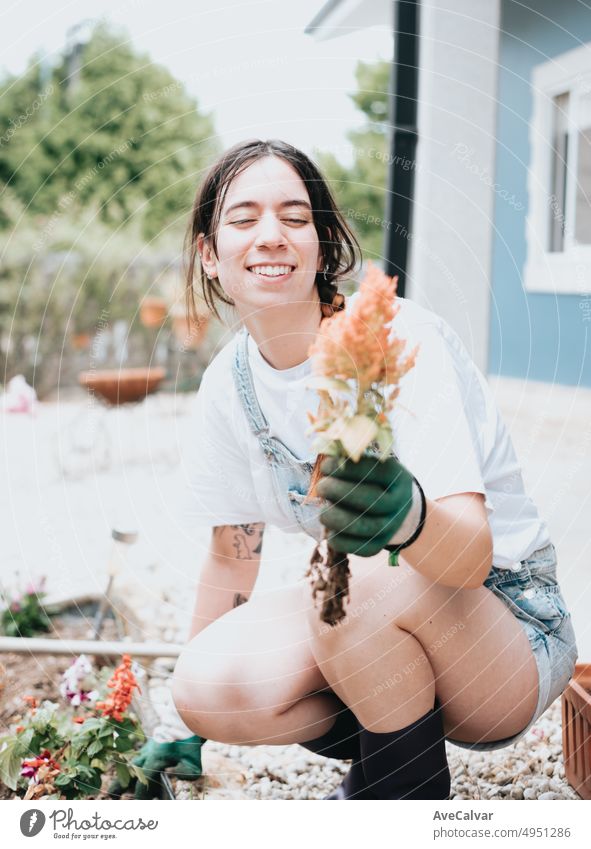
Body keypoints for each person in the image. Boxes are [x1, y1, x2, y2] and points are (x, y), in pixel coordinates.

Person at [141, 139, 578, 800]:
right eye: (243, 217)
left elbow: (468, 556)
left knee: (339, 583)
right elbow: (232, 557)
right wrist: (189, 732)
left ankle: (395, 800)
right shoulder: (228, 386)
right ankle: (389, 755)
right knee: (207, 685)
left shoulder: (397, 341)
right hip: (379, 615)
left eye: (294, 217)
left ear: (321, 244)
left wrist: (407, 515)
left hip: (507, 634)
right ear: (209, 251)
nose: (271, 235)